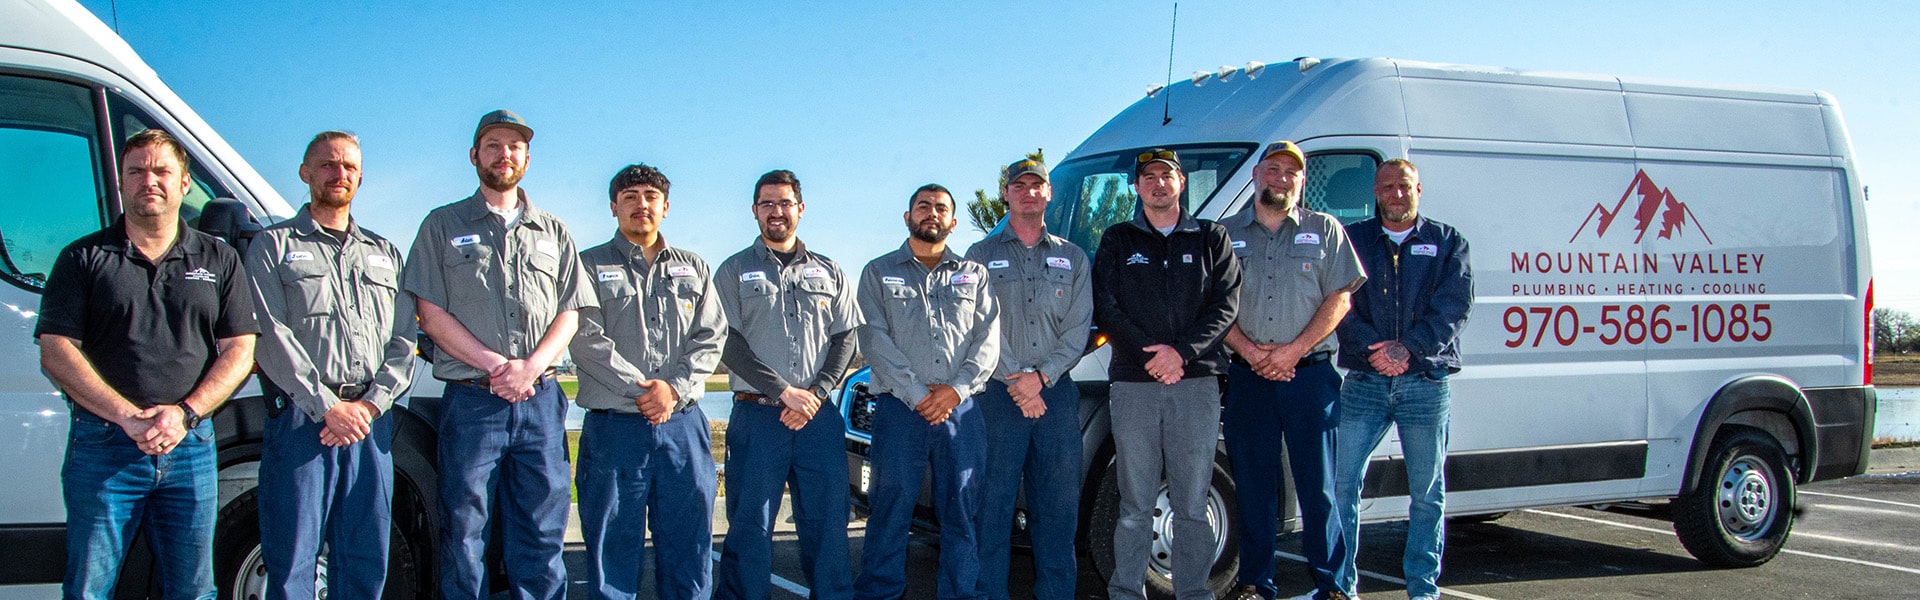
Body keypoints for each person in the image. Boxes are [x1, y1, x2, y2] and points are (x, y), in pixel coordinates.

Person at [37, 128, 260, 599]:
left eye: (162, 171)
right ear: (121, 182)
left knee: (194, 591)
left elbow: (241, 349)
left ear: (184, 184)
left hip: (190, 445)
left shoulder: (217, 258)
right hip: (105, 445)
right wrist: (125, 416)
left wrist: (185, 413)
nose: (149, 180)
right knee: (87, 590)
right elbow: (56, 350)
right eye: (136, 171)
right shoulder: (82, 258)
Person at [401, 109, 593, 600]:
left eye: (514, 146)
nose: (503, 154)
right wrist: (495, 365)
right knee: (464, 532)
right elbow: (429, 311)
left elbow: (570, 311)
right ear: (474, 156)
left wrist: (529, 368)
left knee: (542, 529)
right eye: (493, 145)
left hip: (540, 402)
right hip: (472, 402)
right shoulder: (441, 225)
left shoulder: (554, 231)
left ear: (527, 158)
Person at [246, 131, 417, 599]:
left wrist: (371, 405)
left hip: (370, 425)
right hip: (305, 423)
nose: (338, 174)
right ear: (306, 173)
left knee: (365, 556)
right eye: (327, 164)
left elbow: (404, 338)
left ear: (360, 177)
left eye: (348, 167)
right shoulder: (272, 247)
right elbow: (269, 335)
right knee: (292, 560)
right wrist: (327, 407)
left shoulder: (385, 253)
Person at [569, 163, 726, 600]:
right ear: (614, 207)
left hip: (683, 429)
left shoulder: (693, 267)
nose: (642, 204)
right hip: (615, 430)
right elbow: (584, 338)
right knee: (613, 553)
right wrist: (645, 390)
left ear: (666, 206)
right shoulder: (586, 266)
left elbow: (711, 336)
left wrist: (672, 390)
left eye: (651, 196)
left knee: (689, 550)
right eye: (631, 196)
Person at [1218, 142, 1366, 600]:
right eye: (1274, 169)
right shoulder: (1223, 234)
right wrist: (1251, 351)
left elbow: (1340, 298)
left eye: (1292, 173)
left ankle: (1333, 585)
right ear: (1257, 175)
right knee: (1254, 487)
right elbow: (1212, 305)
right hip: (1247, 378)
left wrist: (1291, 352)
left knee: (1319, 487)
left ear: (1302, 181)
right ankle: (1256, 583)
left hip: (1310, 377)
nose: (1281, 178)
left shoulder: (1325, 231)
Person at [1092, 149, 1239, 600]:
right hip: (1135, 385)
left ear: (1181, 183)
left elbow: (1226, 306)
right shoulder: (1117, 239)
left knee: (1192, 504)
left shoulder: (1212, 238)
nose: (1158, 183)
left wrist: (1182, 354)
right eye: (1148, 177)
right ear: (1136, 187)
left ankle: (1195, 593)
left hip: (1195, 385)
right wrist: (1148, 356)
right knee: (1135, 506)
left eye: (1167, 175)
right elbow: (1107, 307)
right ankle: (1126, 593)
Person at [714, 170, 861, 600]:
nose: (776, 211)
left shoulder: (829, 270)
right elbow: (726, 339)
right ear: (755, 211)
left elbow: (846, 336)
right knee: (750, 527)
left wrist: (814, 394)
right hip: (758, 417)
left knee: (829, 524)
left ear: (800, 208)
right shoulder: (734, 270)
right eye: (767, 204)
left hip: (817, 418)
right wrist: (783, 391)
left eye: (784, 203)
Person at [1333, 159, 1473, 600]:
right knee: (1340, 486)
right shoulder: (1352, 241)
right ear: (1375, 191)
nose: (1396, 194)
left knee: (1427, 494)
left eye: (1405, 186)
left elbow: (1454, 308)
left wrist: (1407, 348)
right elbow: (1338, 303)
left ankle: (1422, 589)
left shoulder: (1448, 243)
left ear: (1419, 190)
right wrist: (1375, 348)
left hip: (1425, 383)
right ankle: (1341, 586)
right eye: (1387, 186)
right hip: (1364, 382)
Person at [854, 184, 1000, 600]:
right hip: (901, 411)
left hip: (961, 412)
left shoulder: (974, 275)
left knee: (962, 514)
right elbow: (874, 340)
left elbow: (987, 342)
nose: (931, 214)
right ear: (907, 217)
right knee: (890, 513)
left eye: (941, 209)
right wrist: (918, 393)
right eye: (923, 207)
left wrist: (955, 391)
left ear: (953, 222)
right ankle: (879, 594)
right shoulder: (878, 272)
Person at [964, 158, 1092, 600]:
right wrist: (1017, 380)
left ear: (1049, 193)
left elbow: (1078, 329)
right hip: (997, 397)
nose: (1029, 192)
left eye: (1037, 185)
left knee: (1058, 511)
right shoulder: (979, 257)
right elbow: (976, 326)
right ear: (1006, 194)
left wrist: (1041, 377)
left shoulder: (1073, 258)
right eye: (1019, 186)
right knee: (992, 508)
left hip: (1055, 394)